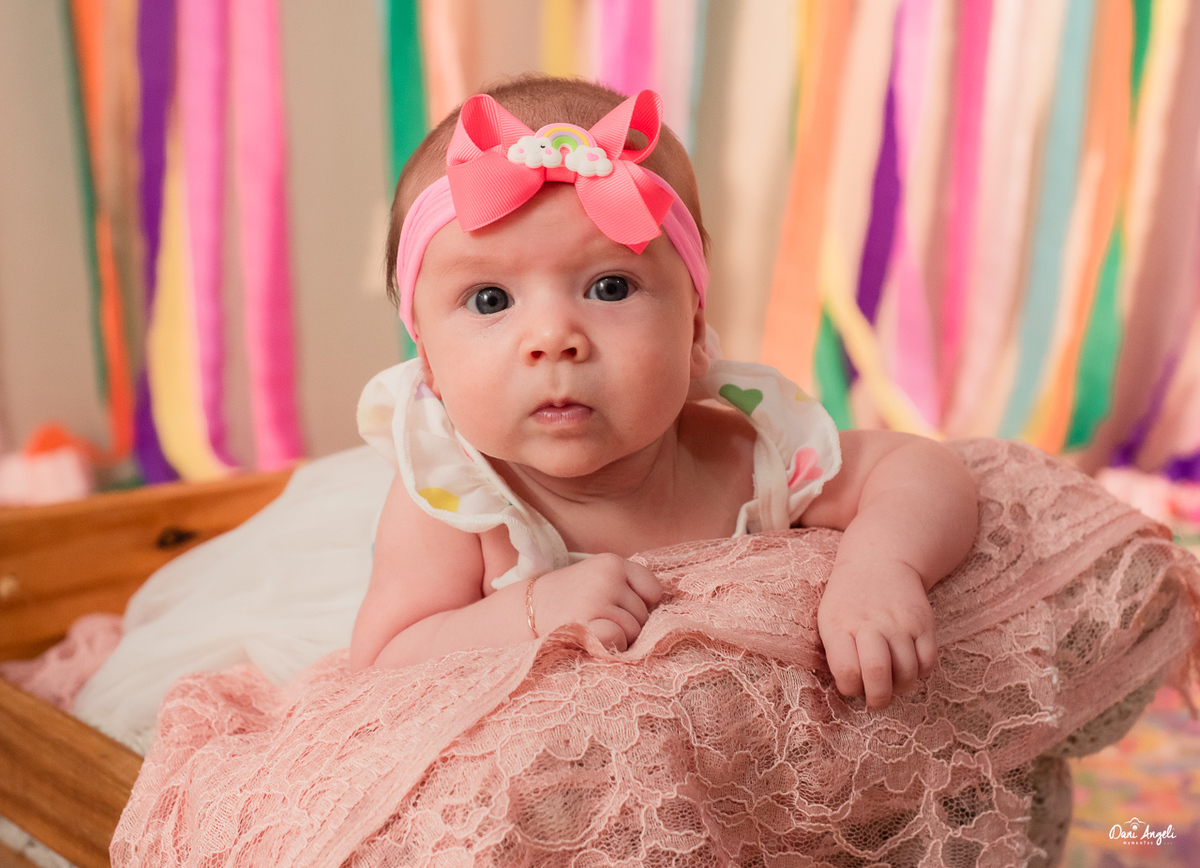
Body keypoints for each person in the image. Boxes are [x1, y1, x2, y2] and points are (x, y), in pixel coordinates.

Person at [350, 75, 978, 710]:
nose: (553, 338)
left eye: (611, 287)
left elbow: (916, 467)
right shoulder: (458, 501)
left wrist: (881, 567)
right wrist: (533, 611)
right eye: (491, 300)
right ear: (428, 363)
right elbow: (384, 656)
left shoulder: (745, 455)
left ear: (695, 332)